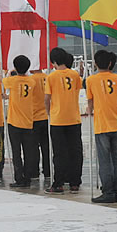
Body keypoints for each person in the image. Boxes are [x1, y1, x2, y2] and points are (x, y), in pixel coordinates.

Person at [87, 50, 117, 204]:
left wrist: (90, 110)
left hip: (102, 125)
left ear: (95, 64)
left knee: (104, 161)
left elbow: (90, 102)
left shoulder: (91, 80)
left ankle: (108, 191)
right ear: (110, 63)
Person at [44, 48, 83, 195]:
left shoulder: (51, 77)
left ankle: (59, 183)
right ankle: (75, 182)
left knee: (59, 153)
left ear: (53, 61)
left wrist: (49, 112)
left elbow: (47, 98)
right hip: (73, 117)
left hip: (58, 119)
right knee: (75, 152)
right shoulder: (75, 75)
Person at [3, 55, 37, 188]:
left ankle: (19, 178)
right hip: (28, 121)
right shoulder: (32, 82)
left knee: (16, 152)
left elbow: (3, 80)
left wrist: (5, 73)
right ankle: (28, 177)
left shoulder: (12, 80)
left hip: (14, 122)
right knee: (28, 152)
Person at [29, 67, 50, 179]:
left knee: (33, 147)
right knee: (46, 146)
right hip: (47, 116)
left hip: (34, 116)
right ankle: (48, 171)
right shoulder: (48, 78)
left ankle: (34, 172)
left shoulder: (31, 80)